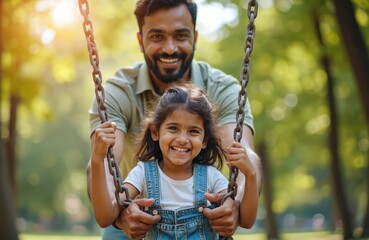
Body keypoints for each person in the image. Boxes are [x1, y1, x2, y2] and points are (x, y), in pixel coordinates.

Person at [87, 0, 262, 239]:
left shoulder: (224, 88)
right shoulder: (118, 92)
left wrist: (237, 203)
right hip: (134, 215)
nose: (170, 48)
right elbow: (104, 166)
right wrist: (119, 212)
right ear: (141, 41)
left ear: (195, 38)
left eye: (180, 36)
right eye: (157, 37)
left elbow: (244, 155)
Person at [90, 85, 259, 239]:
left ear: (204, 140)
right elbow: (106, 217)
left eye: (193, 131)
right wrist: (97, 160)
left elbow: (246, 220)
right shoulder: (142, 173)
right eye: (173, 128)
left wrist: (250, 175)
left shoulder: (210, 176)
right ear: (155, 132)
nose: (182, 139)